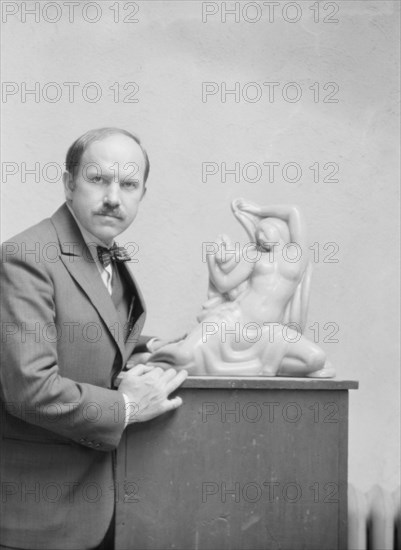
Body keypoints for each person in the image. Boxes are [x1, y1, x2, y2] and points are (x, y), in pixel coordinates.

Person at [0, 127, 188, 550]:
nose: (113, 197)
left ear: (142, 193)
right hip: (37, 519)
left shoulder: (100, 250)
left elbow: (89, 334)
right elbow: (30, 389)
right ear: (69, 183)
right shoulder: (25, 258)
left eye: (128, 184)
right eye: (98, 179)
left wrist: (150, 348)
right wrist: (128, 406)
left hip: (97, 509)